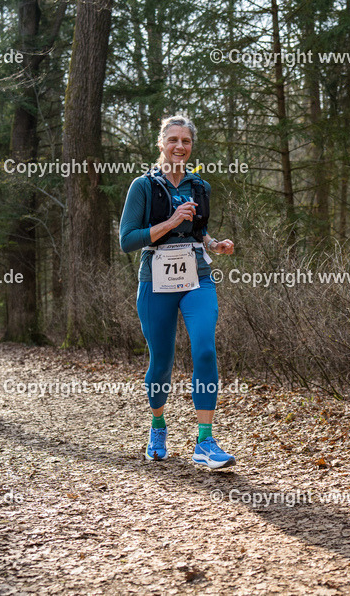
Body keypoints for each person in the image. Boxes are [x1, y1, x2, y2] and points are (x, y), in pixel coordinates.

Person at [119, 115, 237, 470]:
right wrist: (170, 222)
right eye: (173, 140)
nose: (180, 147)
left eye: (185, 141)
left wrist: (216, 245)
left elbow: (200, 232)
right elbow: (127, 240)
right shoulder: (143, 186)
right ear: (161, 144)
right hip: (155, 281)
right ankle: (157, 427)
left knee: (204, 349)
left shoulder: (200, 187)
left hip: (197, 276)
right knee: (161, 362)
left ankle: (205, 440)